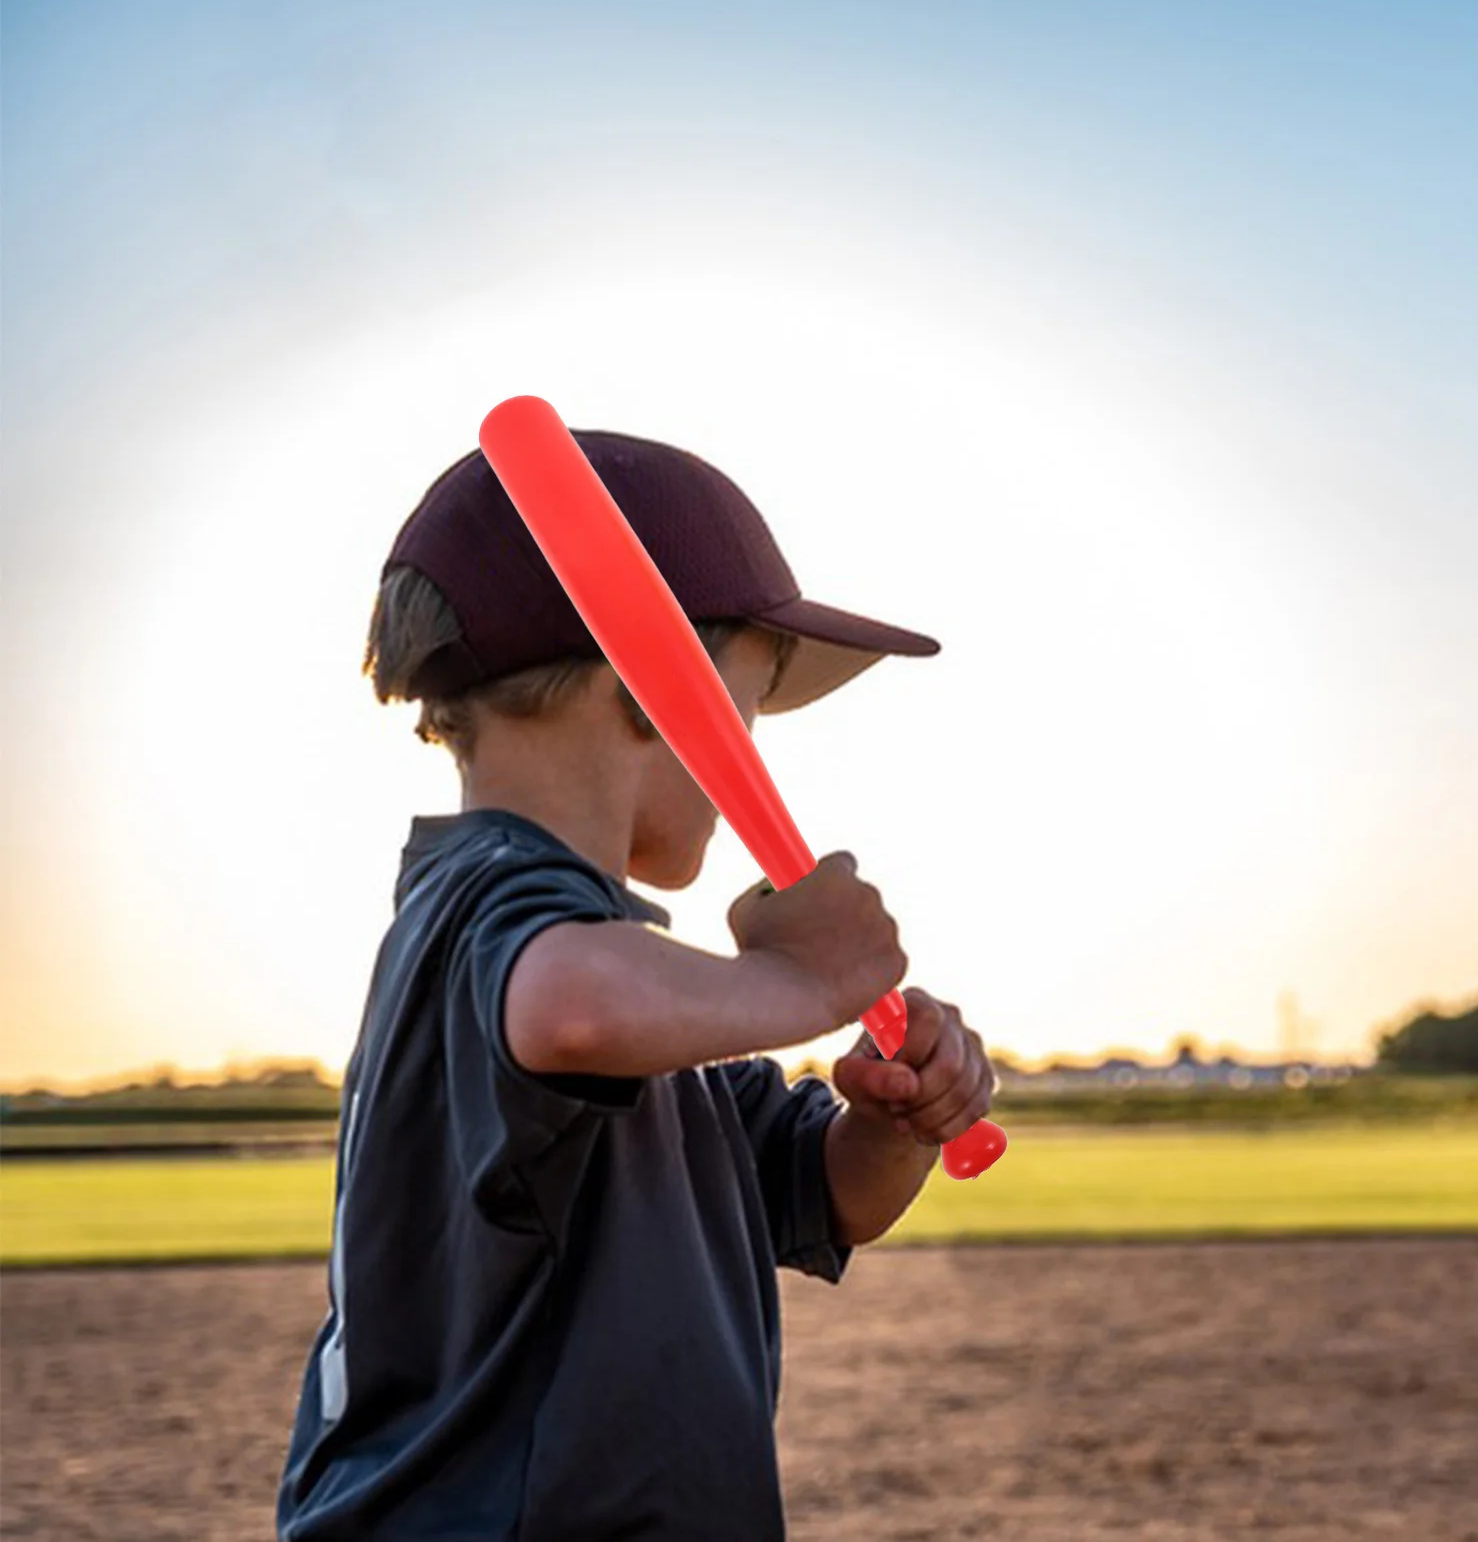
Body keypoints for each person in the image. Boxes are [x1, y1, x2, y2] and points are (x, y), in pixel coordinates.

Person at [277, 429, 997, 1540]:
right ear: (652, 692)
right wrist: (801, 978)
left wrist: (896, 1120)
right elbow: (567, 1001)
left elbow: (823, 1192)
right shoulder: (485, 896)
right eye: (747, 708)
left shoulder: (645, 995)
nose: (752, 750)